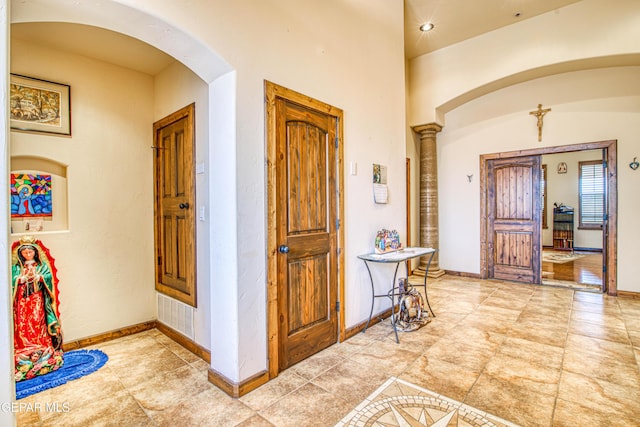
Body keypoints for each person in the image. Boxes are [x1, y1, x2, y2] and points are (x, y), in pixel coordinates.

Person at [12, 236, 64, 381]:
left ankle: (42, 345)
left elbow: (47, 279)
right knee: (23, 326)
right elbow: (12, 281)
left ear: (35, 252)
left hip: (37, 300)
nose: (28, 254)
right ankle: (24, 348)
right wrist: (21, 279)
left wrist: (38, 277)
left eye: (30, 251)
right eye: (25, 252)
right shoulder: (16, 268)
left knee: (37, 322)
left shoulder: (41, 266)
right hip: (22, 302)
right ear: (21, 254)